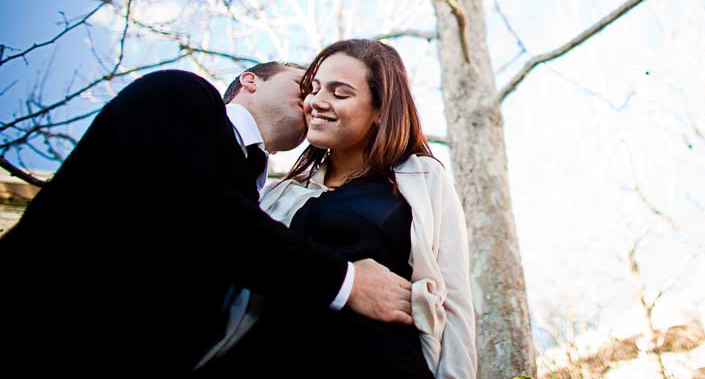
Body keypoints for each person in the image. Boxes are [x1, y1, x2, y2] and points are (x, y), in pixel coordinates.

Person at [0, 62, 412, 374]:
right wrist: (344, 281)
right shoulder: (182, 95)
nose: (312, 101)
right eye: (305, 85)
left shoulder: (265, 202)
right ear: (250, 80)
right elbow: (190, 204)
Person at [210, 40, 476, 378]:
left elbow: (453, 302)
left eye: (340, 93)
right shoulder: (279, 194)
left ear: (380, 110)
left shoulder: (421, 178)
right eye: (314, 89)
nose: (316, 102)